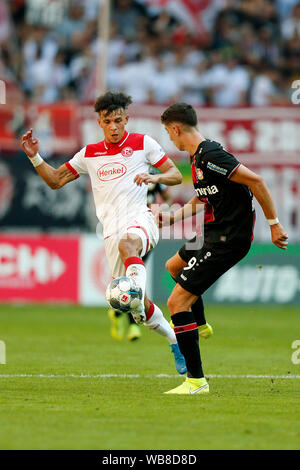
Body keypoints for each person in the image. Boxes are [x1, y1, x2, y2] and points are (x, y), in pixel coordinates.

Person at [21, 91, 187, 375]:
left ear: (127, 120)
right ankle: (175, 340)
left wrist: (154, 176)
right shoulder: (89, 154)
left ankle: (134, 288)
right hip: (110, 232)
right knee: (138, 307)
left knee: (128, 245)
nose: (113, 126)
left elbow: (176, 175)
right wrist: (35, 157)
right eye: (108, 121)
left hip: (141, 220)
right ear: (99, 121)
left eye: (118, 121)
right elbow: (55, 181)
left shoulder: (142, 143)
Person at [158, 102, 288, 395]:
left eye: (169, 133)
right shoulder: (197, 158)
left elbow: (256, 181)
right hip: (212, 233)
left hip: (229, 238)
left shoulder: (212, 154)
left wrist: (274, 223)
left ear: (176, 129)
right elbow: (202, 197)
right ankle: (200, 324)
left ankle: (195, 381)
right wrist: (172, 217)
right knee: (173, 266)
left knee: (176, 303)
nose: (170, 139)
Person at [108, 167, 174, 342]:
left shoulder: (152, 177)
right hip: (128, 226)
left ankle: (122, 316)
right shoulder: (124, 175)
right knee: (130, 279)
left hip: (145, 229)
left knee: (135, 278)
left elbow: (168, 197)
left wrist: (161, 211)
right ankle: (130, 323)